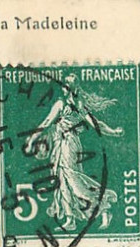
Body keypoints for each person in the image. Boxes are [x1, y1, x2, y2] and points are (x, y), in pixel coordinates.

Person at [22, 74, 123, 232]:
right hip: (60, 144)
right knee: (61, 180)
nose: (65, 88)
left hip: (69, 144)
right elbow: (47, 123)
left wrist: (31, 140)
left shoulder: (69, 104)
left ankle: (103, 205)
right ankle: (70, 219)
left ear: (73, 87)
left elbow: (48, 123)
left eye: (67, 85)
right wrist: (114, 132)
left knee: (73, 181)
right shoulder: (71, 104)